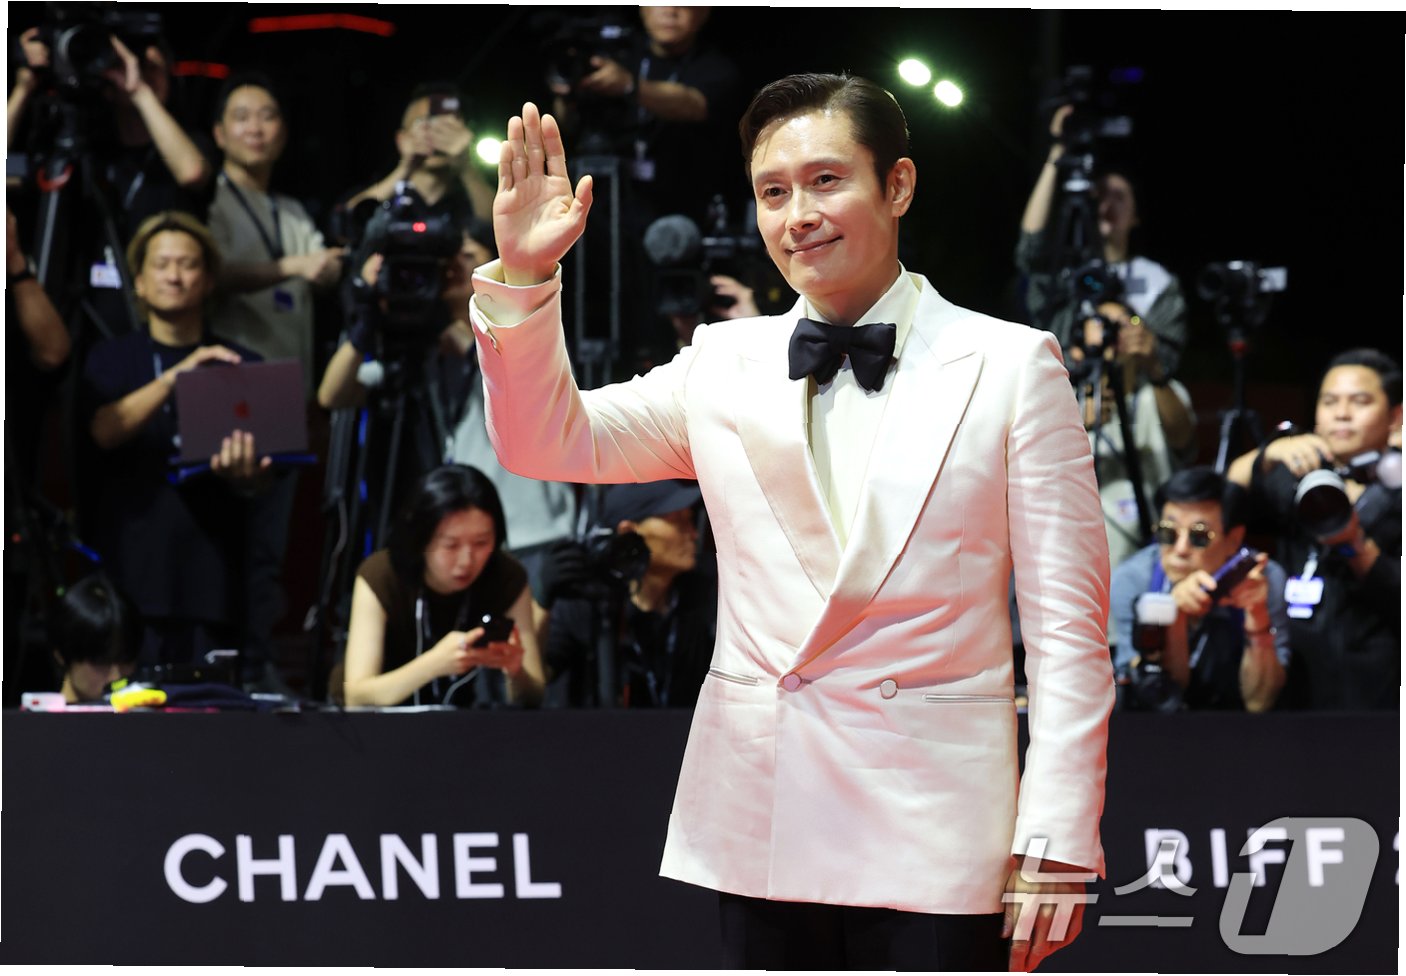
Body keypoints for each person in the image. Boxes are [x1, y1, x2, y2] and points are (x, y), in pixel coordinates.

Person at [469, 76, 1113, 971]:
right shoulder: (722, 362)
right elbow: (546, 441)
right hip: (766, 813)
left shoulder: (1010, 366)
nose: (798, 215)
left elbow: (1067, 629)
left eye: (825, 181)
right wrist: (527, 277)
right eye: (773, 192)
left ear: (897, 185)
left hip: (937, 827)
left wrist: (1057, 836)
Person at [79, 211, 269, 668]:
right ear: (139, 282)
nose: (175, 276)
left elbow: (267, 477)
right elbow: (103, 431)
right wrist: (178, 377)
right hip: (130, 577)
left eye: (188, 264)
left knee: (210, 706)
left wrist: (244, 475)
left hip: (215, 581)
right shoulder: (111, 358)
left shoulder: (241, 363)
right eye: (162, 265)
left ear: (208, 280)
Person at [206, 71, 344, 690]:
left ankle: (258, 667)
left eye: (267, 116)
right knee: (230, 534)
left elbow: (322, 267)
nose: (256, 128)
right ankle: (224, 665)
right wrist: (292, 266)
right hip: (231, 388)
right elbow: (206, 272)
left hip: (290, 392)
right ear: (218, 133)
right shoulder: (209, 200)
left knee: (273, 546)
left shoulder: (290, 210)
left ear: (284, 133)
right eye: (242, 116)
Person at [9, 24, 213, 336]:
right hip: (82, 324)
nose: (139, 73)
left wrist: (139, 91)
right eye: (125, 64)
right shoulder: (82, 146)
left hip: (162, 327)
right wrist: (23, 89)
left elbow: (192, 173)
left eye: (152, 68)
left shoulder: (188, 145)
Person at [1227, 348, 1401, 710]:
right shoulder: (1293, 476)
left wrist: (1354, 543)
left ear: (1395, 417)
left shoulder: (1396, 493)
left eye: (1360, 401)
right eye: (1329, 401)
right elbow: (1222, 508)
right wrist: (1265, 455)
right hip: (1295, 686)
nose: (1342, 413)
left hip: (1377, 694)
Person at [341, 464, 545, 708]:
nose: (466, 560)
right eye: (451, 545)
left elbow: (533, 696)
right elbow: (356, 696)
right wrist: (434, 664)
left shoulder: (506, 575)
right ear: (421, 539)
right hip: (372, 724)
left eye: (481, 543)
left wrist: (516, 671)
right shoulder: (382, 573)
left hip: (458, 720)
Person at [1015, 105, 1186, 382]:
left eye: (1120, 196)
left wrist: (1141, 342)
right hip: (1067, 391)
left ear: (1136, 216)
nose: (1108, 204)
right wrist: (1057, 152)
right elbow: (1029, 251)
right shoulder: (1066, 270)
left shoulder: (1158, 281)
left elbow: (1167, 364)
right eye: (1101, 195)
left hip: (1127, 396)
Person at [1111, 467, 1289, 712]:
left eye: (1199, 536)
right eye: (1168, 532)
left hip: (1241, 724)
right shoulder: (1132, 579)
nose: (1181, 549)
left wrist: (1257, 613)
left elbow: (1260, 701)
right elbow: (1157, 699)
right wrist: (1173, 614)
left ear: (1234, 539)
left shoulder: (1263, 579)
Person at [543, 480, 715, 708]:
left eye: (691, 520)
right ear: (629, 531)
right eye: (679, 522)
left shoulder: (708, 596)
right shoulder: (587, 605)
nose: (694, 534)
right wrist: (540, 601)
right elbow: (535, 685)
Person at [1071, 300, 1196, 568]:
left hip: (1154, 550)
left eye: (1125, 323)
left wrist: (1155, 367)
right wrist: (1077, 424)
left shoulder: (1160, 391)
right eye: (1103, 324)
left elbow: (1183, 438)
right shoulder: (1066, 400)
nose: (1115, 333)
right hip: (1084, 552)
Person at [49, 573, 142, 704]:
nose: (116, 677)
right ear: (61, 655)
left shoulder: (148, 715)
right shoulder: (33, 717)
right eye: (101, 662)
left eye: (126, 660)